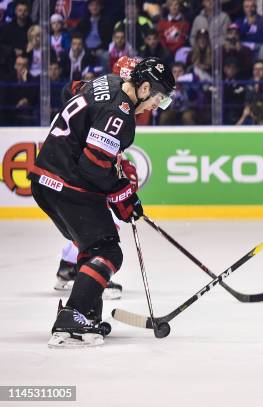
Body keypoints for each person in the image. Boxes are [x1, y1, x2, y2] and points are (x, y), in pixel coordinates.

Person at [28, 57, 175, 348]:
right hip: (66, 182)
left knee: (92, 247)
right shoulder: (120, 113)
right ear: (144, 88)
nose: (157, 106)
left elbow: (77, 91)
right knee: (107, 250)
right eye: (159, 98)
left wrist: (115, 161)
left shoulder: (109, 82)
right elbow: (93, 167)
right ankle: (72, 318)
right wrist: (123, 194)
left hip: (47, 178)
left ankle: (87, 314)